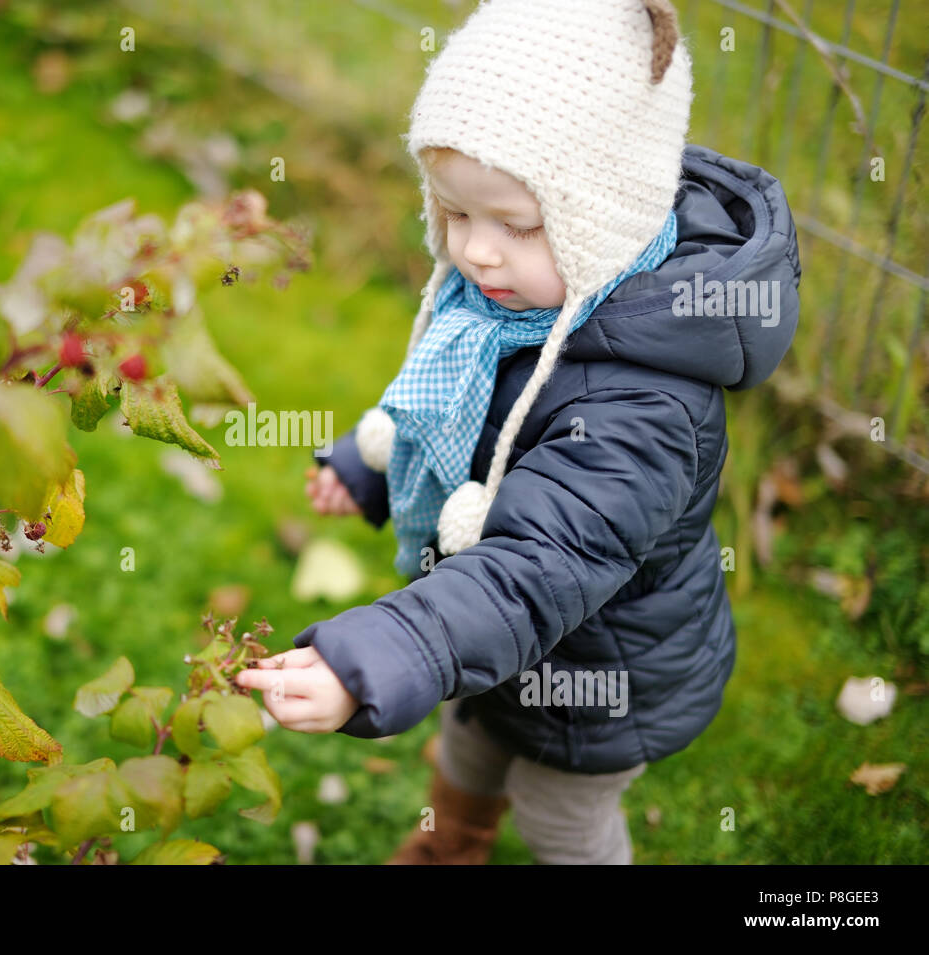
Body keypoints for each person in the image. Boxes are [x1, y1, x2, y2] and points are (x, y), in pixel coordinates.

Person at [235, 0, 801, 864]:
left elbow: (539, 565)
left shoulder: (644, 407)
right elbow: (457, 413)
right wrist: (371, 463)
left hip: (601, 675)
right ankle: (448, 846)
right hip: (491, 639)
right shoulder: (519, 304)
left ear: (603, 216)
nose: (476, 253)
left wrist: (390, 650)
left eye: (515, 224)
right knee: (467, 750)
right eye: (455, 214)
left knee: (556, 815)